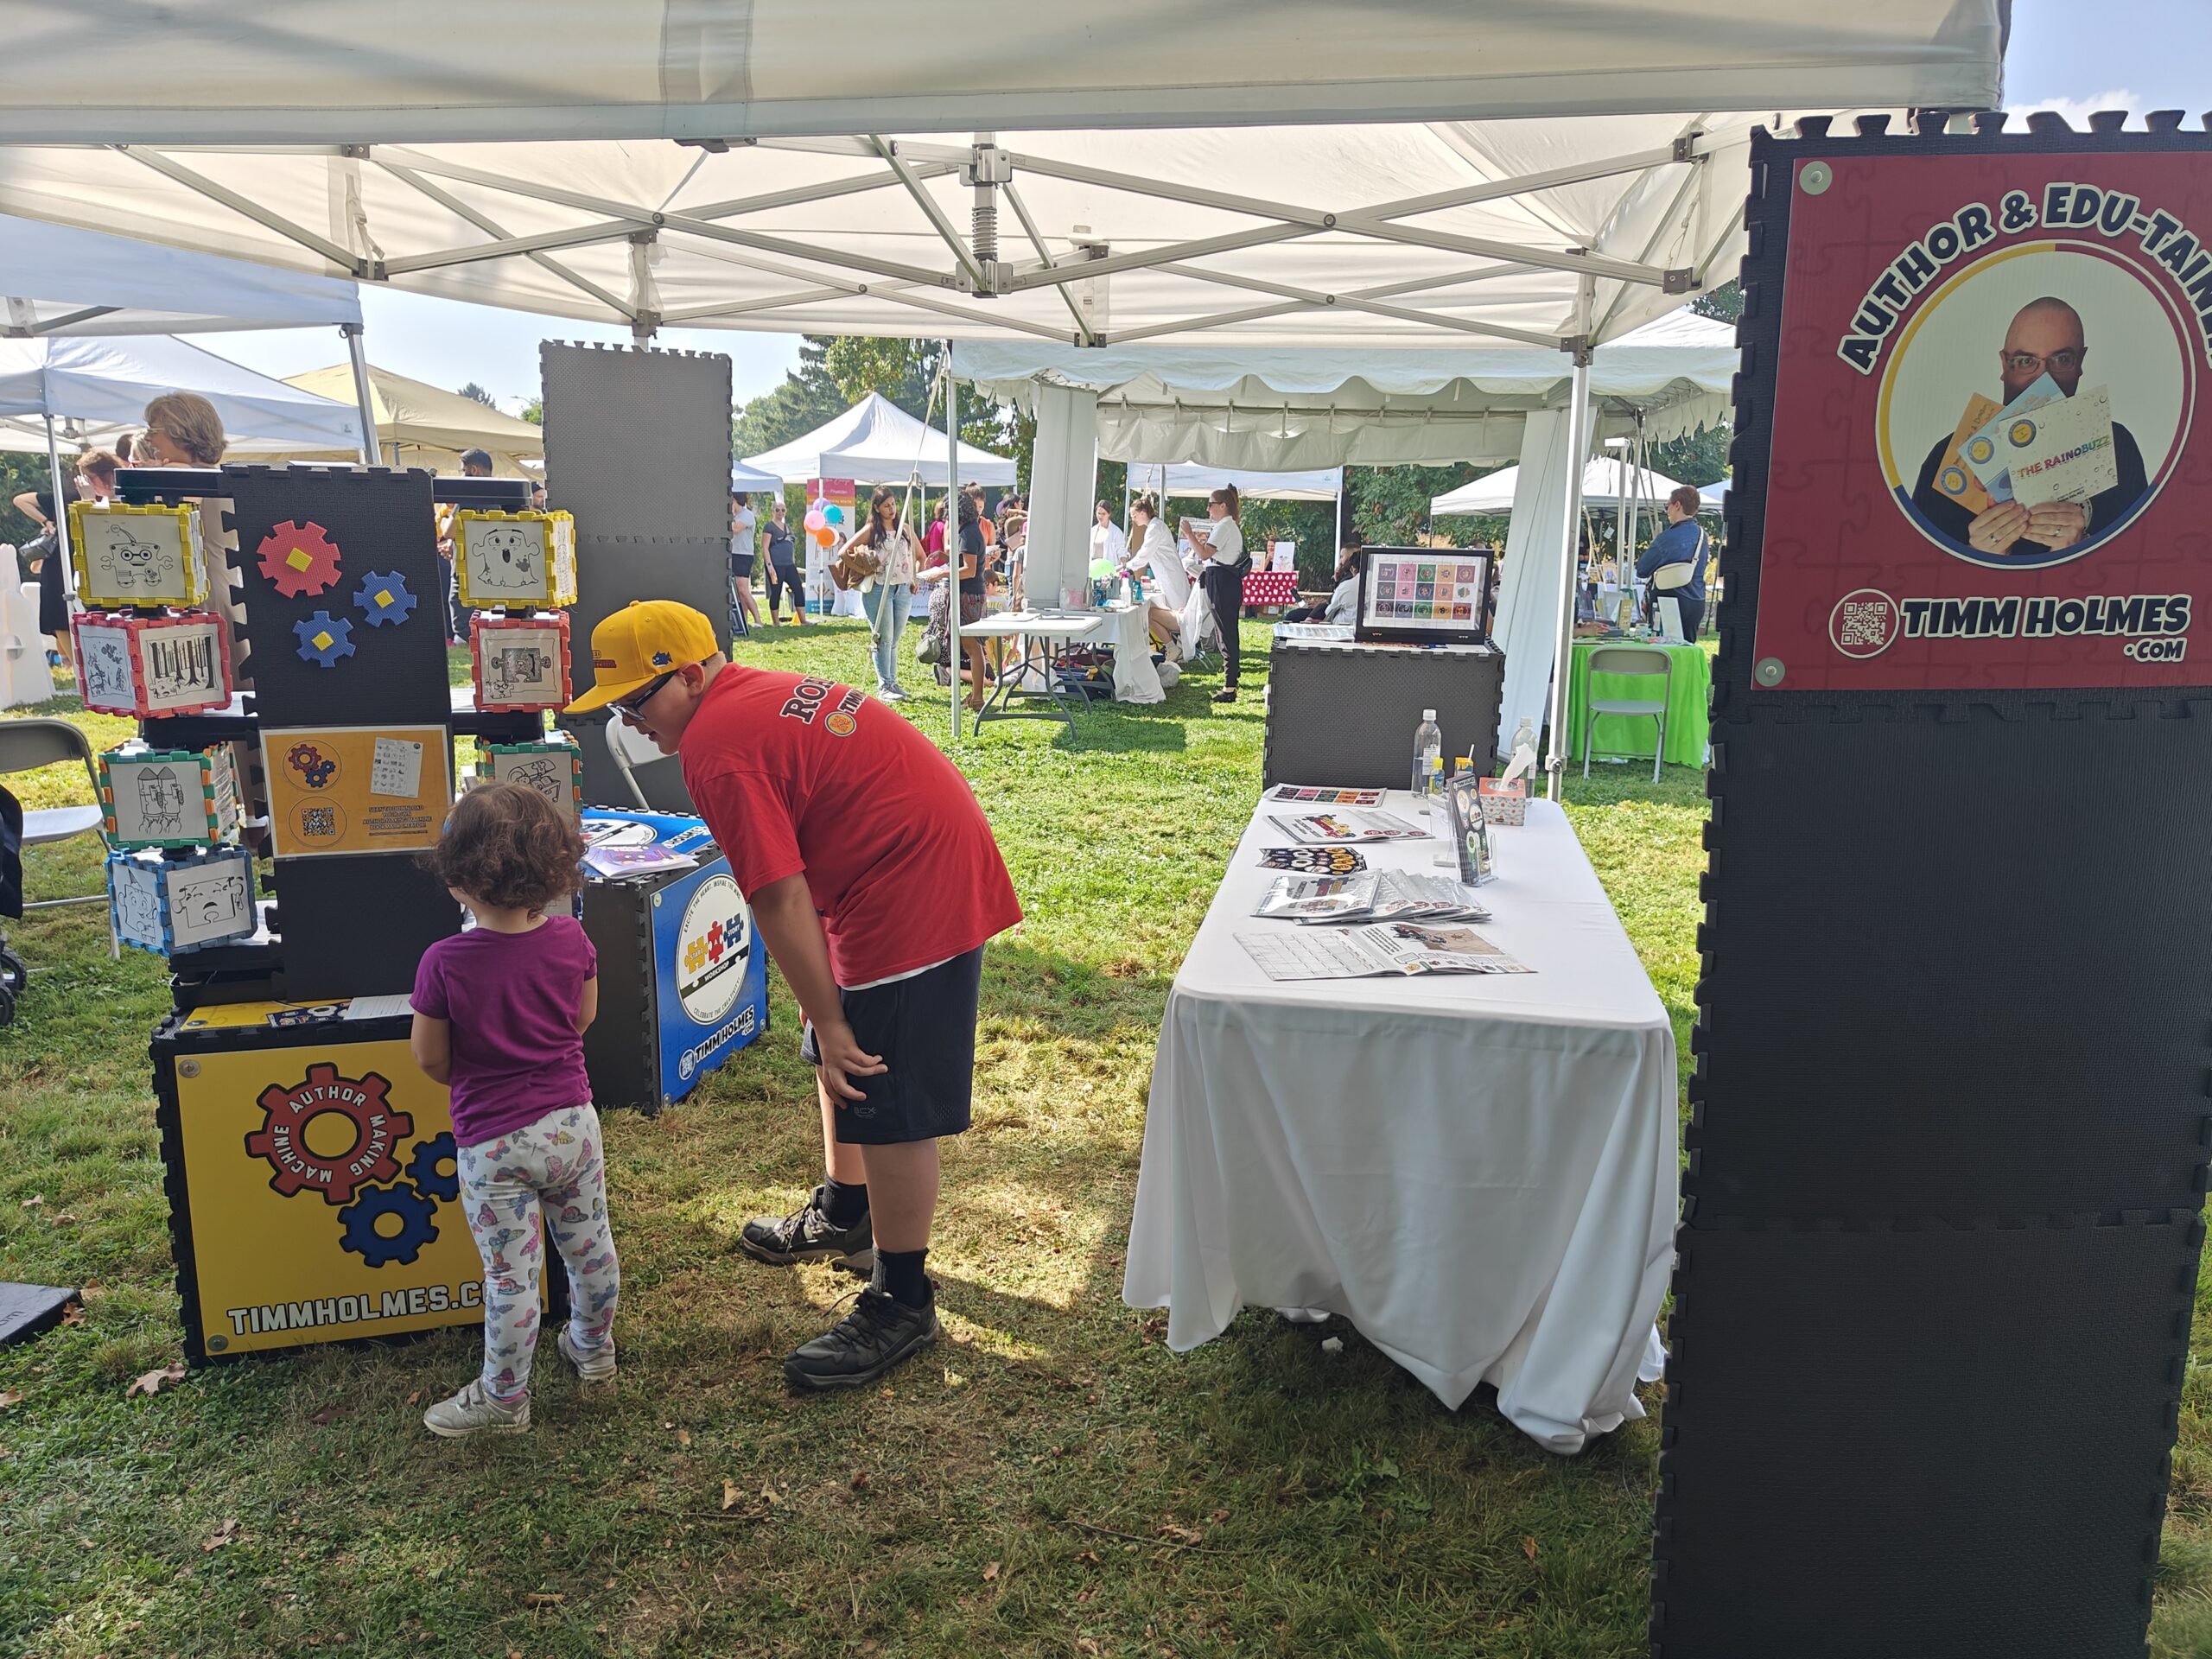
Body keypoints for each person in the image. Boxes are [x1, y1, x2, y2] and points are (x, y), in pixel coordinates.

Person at [565, 601, 1020, 1390]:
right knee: (833, 1046)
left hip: (912, 885)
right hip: (890, 867)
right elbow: (794, 879)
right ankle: (847, 1211)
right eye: (617, 709)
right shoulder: (745, 695)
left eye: (637, 701)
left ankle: (902, 1299)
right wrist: (825, 1008)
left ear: (691, 675)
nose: (630, 723)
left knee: (879, 1086)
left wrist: (839, 1017)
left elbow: (776, 895)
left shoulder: (715, 747)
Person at [409, 784, 618, 1436]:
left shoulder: (444, 962)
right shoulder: (572, 939)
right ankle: (593, 1349)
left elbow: (430, 1059)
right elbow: (582, 1018)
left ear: (458, 877)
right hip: (573, 1125)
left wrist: (481, 1069)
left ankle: (504, 1399)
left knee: (511, 1279)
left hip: (495, 1143)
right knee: (591, 1250)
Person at [1909, 296, 2150, 558]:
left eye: (2061, 359)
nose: (2043, 378)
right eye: (2026, 361)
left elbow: (2141, 568)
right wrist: (1977, 557)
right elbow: (1915, 574)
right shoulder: (1948, 458)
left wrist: (2079, 550)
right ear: (2005, 365)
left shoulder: (2116, 445)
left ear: (2080, 363)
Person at [12, 448, 122, 672]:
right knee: (59, 616)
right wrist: (47, 521)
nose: (80, 481)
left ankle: (84, 666)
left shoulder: (118, 497)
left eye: (87, 477)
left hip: (95, 569)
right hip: (62, 565)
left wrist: (90, 501)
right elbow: (20, 500)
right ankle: (77, 667)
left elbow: (108, 528)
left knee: (91, 616)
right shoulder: (67, 498)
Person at [838, 486, 920, 701]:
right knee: (883, 638)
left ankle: (892, 682)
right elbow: (843, 552)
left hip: (903, 588)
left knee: (894, 639)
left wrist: (915, 578)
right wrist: (862, 568)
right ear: (876, 508)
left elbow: (920, 555)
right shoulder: (872, 530)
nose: (892, 509)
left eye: (893, 504)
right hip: (878, 588)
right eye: (886, 506)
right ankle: (885, 686)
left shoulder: (904, 528)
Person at [1185, 484, 1248, 702]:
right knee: (1226, 632)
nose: (1208, 509)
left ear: (1223, 506)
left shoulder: (1225, 526)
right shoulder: (1226, 526)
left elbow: (1204, 554)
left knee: (1225, 633)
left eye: (1211, 504)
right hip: (1223, 581)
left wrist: (1189, 534)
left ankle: (1229, 687)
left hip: (1223, 582)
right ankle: (1232, 677)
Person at [435, 448, 495, 645]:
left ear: (474, 470)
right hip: (492, 574)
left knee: (463, 629)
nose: (461, 476)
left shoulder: (470, 496)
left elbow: (449, 531)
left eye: (463, 470)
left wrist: (445, 520)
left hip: (465, 575)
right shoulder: (500, 495)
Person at [1637, 486, 1710, 642]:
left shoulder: (1668, 537)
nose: (1667, 511)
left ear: (1677, 505)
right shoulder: (1703, 536)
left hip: (1669, 601)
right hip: (1696, 600)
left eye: (1667, 506)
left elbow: (1642, 569)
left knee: (1664, 651)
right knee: (1687, 650)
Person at [1283, 533, 1365, 624]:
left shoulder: (1350, 581)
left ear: (1351, 557)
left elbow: (1333, 605)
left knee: (1292, 616)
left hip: (1335, 614)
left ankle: (1308, 621)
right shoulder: (1345, 576)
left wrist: (1322, 605)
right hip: (1333, 610)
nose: (1340, 561)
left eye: (1342, 557)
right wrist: (1337, 580)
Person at [761, 497, 807, 625]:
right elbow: (765, 547)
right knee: (776, 591)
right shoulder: (769, 527)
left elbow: (791, 545)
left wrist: (793, 561)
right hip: (776, 565)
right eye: (777, 510)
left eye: (783, 510)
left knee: (798, 588)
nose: (780, 512)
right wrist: (769, 565)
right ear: (773, 511)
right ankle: (776, 622)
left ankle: (803, 620)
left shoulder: (788, 527)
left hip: (789, 565)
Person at [728, 491, 764, 631]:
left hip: (744, 555)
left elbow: (735, 529)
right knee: (739, 591)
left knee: (743, 589)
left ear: (735, 500)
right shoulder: (735, 516)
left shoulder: (746, 515)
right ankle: (744, 620)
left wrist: (728, 516)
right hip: (734, 553)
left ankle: (758, 620)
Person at [1090, 499, 1128, 574]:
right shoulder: (1092, 530)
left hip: (1108, 570)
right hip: (1093, 569)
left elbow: (1121, 550)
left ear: (1109, 514)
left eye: (1103, 514)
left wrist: (1124, 565)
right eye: (1099, 513)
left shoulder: (1116, 532)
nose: (1101, 516)